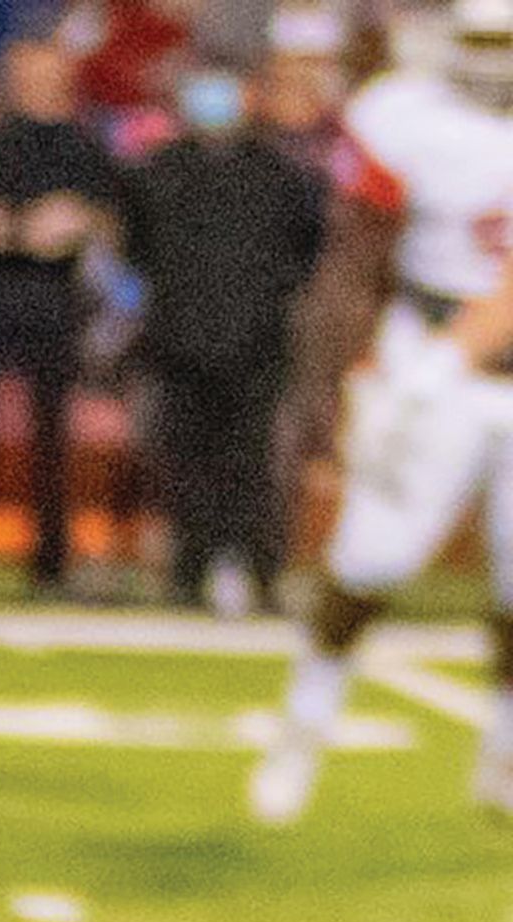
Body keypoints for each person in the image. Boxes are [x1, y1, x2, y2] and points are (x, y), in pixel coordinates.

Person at [249, 0, 513, 823]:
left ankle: (501, 762)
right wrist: (335, 388)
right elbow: (355, 260)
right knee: (370, 563)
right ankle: (301, 734)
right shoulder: (403, 117)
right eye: (485, 41)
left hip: (461, 351)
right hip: (429, 356)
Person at [123, 56, 324, 611]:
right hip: (178, 340)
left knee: (253, 463)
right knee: (186, 461)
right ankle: (191, 569)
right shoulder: (157, 169)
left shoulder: (280, 174)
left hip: (256, 343)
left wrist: (259, 309)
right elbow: (138, 249)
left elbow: (303, 253)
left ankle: (259, 569)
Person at [0, 29, 119, 593]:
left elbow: (96, 218)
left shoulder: (82, 146)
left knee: (51, 436)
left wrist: (69, 223)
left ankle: (52, 562)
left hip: (53, 299)